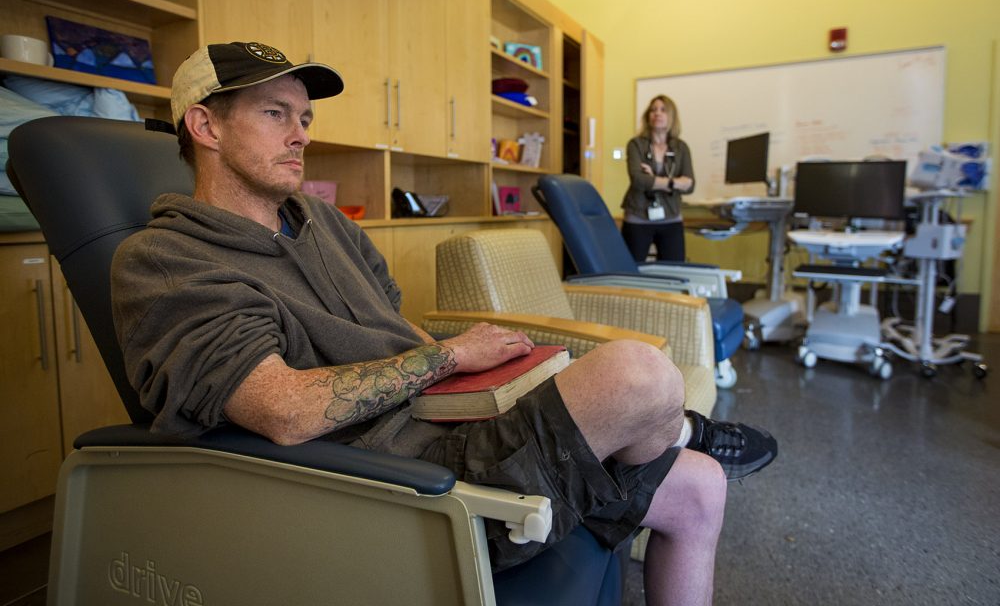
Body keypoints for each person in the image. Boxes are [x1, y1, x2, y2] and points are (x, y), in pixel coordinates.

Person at [111, 41, 777, 605]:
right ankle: (683, 428)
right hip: (395, 483)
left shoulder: (327, 225)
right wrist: (453, 357)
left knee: (700, 489)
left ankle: (674, 437)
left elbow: (393, 332)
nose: (302, 134)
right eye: (274, 114)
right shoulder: (165, 260)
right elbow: (285, 411)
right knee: (638, 375)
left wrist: (480, 369)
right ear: (205, 127)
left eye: (305, 117)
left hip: (457, 424)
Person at [621, 95, 695, 263]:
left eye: (663, 110)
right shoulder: (636, 145)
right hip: (638, 216)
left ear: (671, 116)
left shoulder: (681, 148)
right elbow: (638, 181)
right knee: (631, 270)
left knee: (674, 270)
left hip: (671, 217)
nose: (657, 113)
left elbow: (690, 185)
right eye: (653, 110)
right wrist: (673, 183)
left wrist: (653, 179)